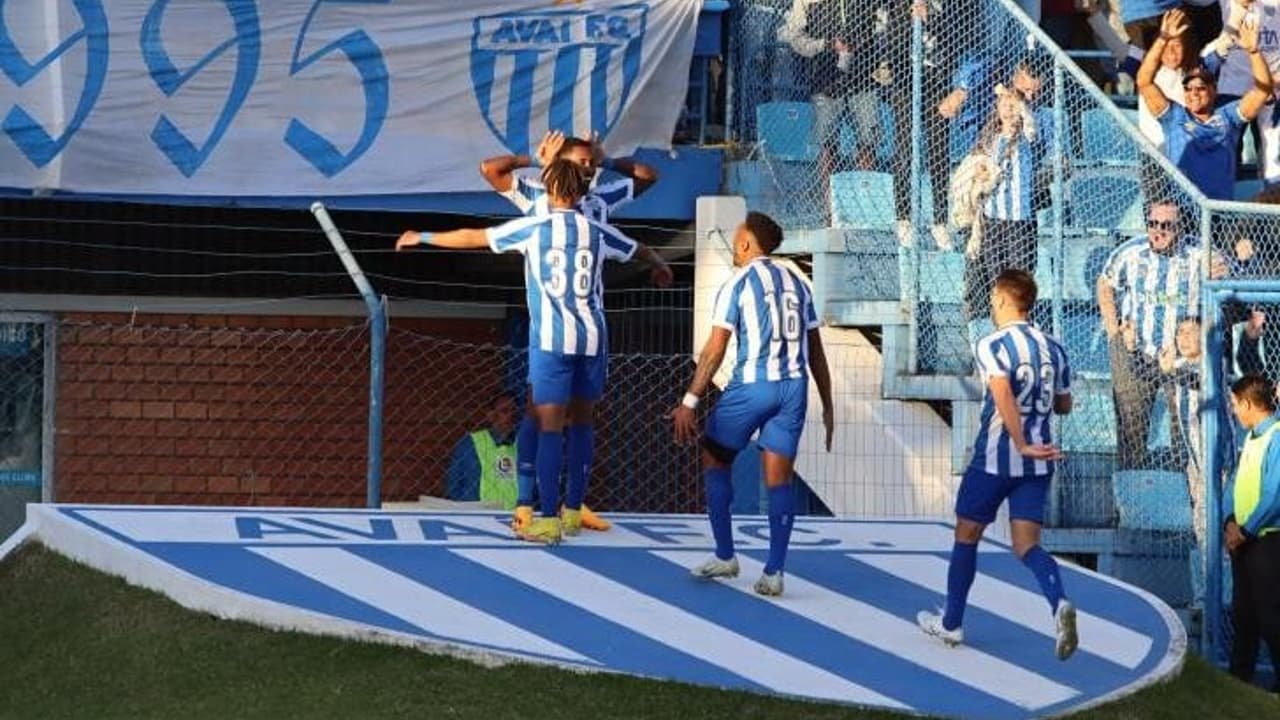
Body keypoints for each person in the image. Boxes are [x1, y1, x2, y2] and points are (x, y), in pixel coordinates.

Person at [397, 160, 673, 544]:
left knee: (548, 427)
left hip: (553, 343)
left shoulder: (534, 227)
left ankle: (546, 517)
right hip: (593, 340)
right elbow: (639, 249)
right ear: (581, 194)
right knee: (583, 424)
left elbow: (473, 236)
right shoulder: (598, 229)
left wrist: (422, 236)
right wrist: (660, 265)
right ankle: (573, 510)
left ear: (551, 190)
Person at [480, 130, 660, 533]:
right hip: (549, 319)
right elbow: (490, 169)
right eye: (581, 163)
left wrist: (608, 160)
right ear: (560, 163)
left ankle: (572, 506)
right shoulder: (536, 194)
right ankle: (527, 503)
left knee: (581, 418)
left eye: (591, 163)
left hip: (586, 322)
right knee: (537, 414)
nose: (588, 169)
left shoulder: (598, 200)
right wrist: (535, 159)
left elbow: (649, 176)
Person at [671, 211, 835, 597]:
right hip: (794, 388)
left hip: (753, 386)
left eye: (736, 236)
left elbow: (715, 348)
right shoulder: (798, 284)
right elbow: (816, 349)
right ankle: (775, 571)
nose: (733, 243)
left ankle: (726, 554)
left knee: (715, 457)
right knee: (779, 479)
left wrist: (689, 401)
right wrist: (827, 404)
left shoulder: (738, 284)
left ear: (746, 242)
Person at [917, 269, 1079, 660]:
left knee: (967, 534)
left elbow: (1002, 392)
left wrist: (1019, 441)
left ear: (1006, 300)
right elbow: (1065, 405)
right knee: (1027, 545)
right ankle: (1059, 603)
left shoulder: (992, 343)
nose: (991, 306)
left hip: (997, 457)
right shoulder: (1055, 347)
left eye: (993, 300)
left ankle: (952, 623)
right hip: (1039, 462)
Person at [1097, 199, 1225, 469]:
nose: (1158, 231)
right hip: (1136, 352)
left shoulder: (1199, 254)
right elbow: (1105, 283)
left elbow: (1229, 280)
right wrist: (1114, 332)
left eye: (1167, 226)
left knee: (1187, 436)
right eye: (1153, 224)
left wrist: (1224, 271)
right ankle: (1130, 502)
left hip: (1180, 359)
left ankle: (1190, 498)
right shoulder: (1131, 253)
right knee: (1131, 435)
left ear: (1181, 228)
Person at [1137, 9, 1271, 200]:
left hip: (1221, 216)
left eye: (1200, 87)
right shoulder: (1174, 117)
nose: (1194, 93)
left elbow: (1262, 91)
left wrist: (1254, 52)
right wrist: (1163, 38)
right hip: (1183, 217)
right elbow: (1144, 81)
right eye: (1188, 88)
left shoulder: (1228, 117)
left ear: (1214, 90)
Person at [1223, 373, 1280, 693]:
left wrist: (1245, 530)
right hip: (1243, 541)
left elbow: (1275, 494)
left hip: (1267, 542)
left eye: (1235, 404)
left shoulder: (1276, 435)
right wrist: (1231, 522)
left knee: (1271, 616)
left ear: (1248, 403)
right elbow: (1235, 485)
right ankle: (1237, 685)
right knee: (1244, 616)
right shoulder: (1251, 438)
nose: (1233, 410)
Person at [444, 394, 520, 509]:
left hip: (516, 517)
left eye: (514, 411)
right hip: (479, 515)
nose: (511, 416)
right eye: (504, 411)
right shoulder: (470, 444)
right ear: (491, 415)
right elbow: (453, 486)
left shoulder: (523, 444)